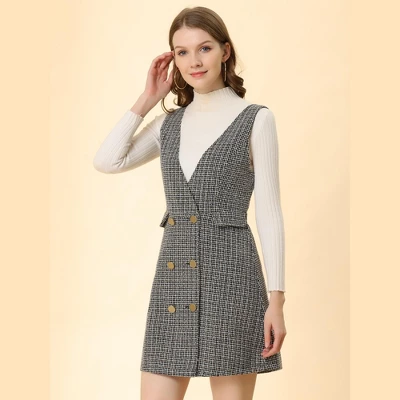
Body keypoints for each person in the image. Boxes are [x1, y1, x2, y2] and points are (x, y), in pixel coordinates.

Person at [93, 6, 286, 400]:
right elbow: (108, 160)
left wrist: (276, 300)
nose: (194, 61)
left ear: (225, 51)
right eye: (182, 52)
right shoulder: (169, 124)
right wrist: (148, 98)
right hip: (173, 279)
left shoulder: (256, 119)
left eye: (204, 48)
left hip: (232, 278)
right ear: (173, 59)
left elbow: (269, 213)